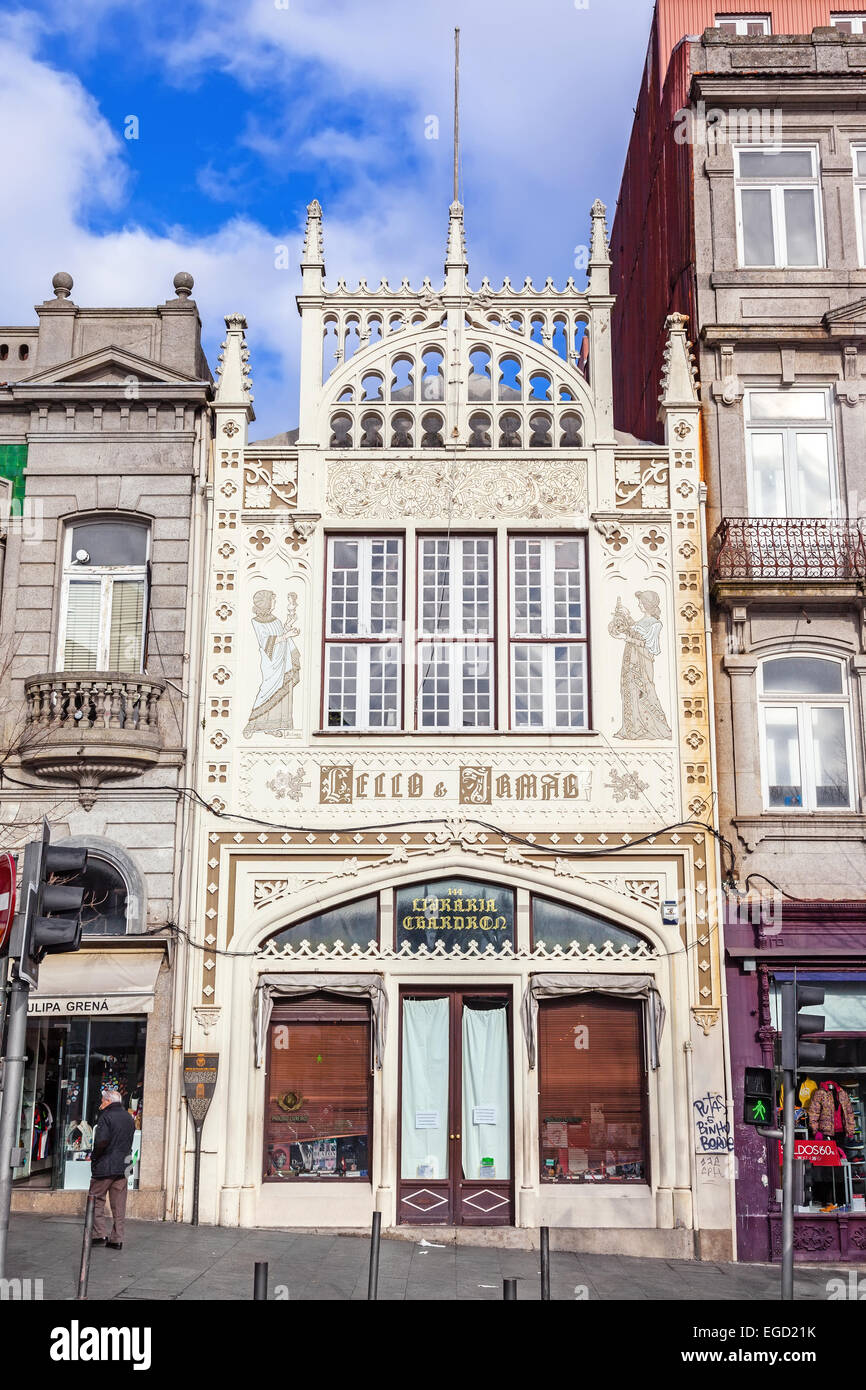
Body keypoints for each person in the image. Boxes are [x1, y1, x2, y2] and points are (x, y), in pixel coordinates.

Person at [89, 1089, 136, 1251]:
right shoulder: (128, 1118)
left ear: (108, 1101)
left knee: (96, 1199)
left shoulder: (106, 1117)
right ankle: (117, 1238)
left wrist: (95, 1157)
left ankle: (99, 1233)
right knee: (119, 1204)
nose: (101, 1103)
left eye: (103, 1100)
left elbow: (101, 1142)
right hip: (124, 1165)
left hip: (106, 1165)